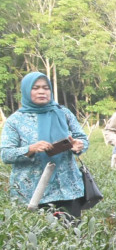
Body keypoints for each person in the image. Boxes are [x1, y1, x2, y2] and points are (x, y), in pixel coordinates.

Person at [0, 73, 89, 219]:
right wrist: (30, 149)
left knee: (72, 234)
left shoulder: (63, 113)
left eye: (46, 88)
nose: (42, 91)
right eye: (36, 88)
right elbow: (6, 155)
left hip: (67, 189)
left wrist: (79, 145)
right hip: (33, 193)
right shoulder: (15, 121)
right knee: (37, 238)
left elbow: (81, 138)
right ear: (26, 91)